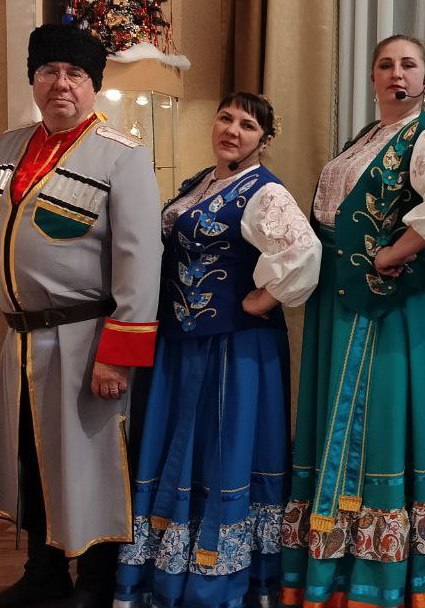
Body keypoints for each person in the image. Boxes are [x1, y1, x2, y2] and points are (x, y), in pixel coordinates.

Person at [281, 34, 425, 608]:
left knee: (382, 423)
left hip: (392, 303)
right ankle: (334, 568)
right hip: (342, 298)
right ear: (372, 77)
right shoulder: (366, 138)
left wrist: (394, 251)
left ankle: (386, 579)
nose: (397, 73)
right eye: (386, 64)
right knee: (345, 418)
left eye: (408, 65)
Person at [0, 23, 163, 608]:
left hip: (87, 342)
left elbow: (140, 261)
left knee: (91, 466)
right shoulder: (8, 148)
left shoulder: (122, 155)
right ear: (34, 80)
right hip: (22, 343)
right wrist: (5, 278)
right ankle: (44, 576)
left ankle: (96, 584)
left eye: (75, 74)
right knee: (32, 459)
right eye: (49, 71)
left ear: (93, 85)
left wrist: (118, 355)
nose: (61, 83)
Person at [114, 92, 322, 607]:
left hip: (233, 348)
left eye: (247, 125)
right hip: (182, 344)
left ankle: (216, 585)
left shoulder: (264, 191)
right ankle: (167, 573)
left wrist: (260, 300)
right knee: (179, 448)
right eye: (226, 118)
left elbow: (302, 252)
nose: (232, 129)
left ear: (263, 140)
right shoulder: (200, 183)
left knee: (222, 450)